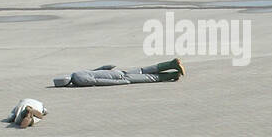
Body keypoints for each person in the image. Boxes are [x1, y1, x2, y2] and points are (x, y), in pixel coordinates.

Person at [53, 59, 185, 88]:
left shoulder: (79, 80)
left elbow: (98, 82)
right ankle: (171, 64)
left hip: (120, 77)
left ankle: (173, 75)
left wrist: (121, 82)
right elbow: (95, 71)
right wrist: (107, 67)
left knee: (148, 78)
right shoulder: (77, 72)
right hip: (117, 72)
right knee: (144, 70)